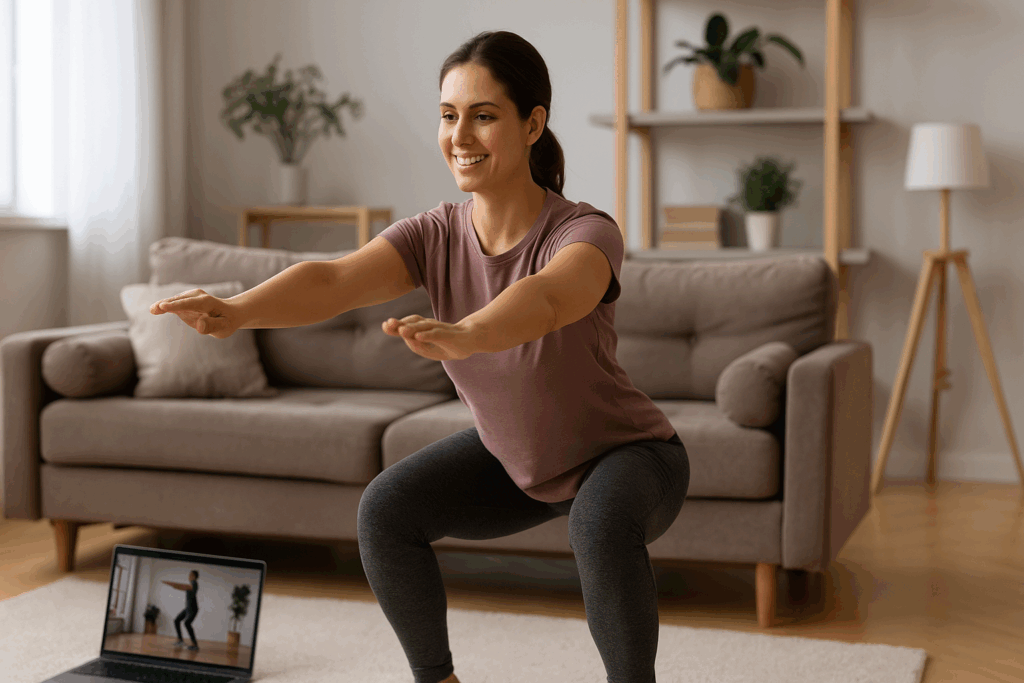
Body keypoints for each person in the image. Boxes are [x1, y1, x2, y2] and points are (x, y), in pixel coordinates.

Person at [149, 29, 688, 683]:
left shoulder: (584, 230)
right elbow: (333, 279)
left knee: (598, 526)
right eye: (448, 115)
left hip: (629, 456)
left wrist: (472, 333)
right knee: (386, 511)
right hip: (519, 462)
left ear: (532, 124)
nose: (460, 135)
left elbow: (549, 298)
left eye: (483, 116)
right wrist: (238, 311)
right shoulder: (434, 234)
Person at [164, 570, 200, 652]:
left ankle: (194, 644)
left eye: (190, 575)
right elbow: (182, 587)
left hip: (192, 608)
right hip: (188, 608)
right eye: (189, 575)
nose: (189, 576)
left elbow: (182, 587)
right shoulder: (191, 584)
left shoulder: (194, 583)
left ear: (194, 576)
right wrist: (174, 585)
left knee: (187, 623)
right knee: (177, 620)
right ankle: (180, 640)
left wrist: (172, 584)